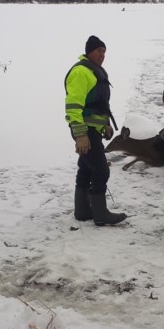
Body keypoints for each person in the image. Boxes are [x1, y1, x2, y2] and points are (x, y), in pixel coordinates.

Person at [64, 35, 127, 226]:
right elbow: (73, 106)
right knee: (101, 170)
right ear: (89, 51)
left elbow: (99, 105)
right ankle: (100, 214)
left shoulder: (95, 72)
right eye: (99, 50)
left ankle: (83, 211)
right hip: (85, 131)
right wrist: (80, 135)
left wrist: (105, 125)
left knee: (86, 168)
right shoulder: (81, 72)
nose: (102, 55)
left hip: (93, 130)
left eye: (104, 51)